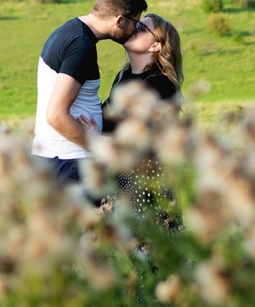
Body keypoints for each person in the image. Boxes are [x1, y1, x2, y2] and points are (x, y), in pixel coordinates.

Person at [31, 0, 148, 185]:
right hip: (68, 161)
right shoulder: (81, 45)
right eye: (135, 23)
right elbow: (55, 115)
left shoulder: (68, 31)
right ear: (119, 20)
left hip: (56, 158)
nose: (134, 30)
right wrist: (100, 146)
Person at [77, 13, 183, 227]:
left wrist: (99, 138)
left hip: (146, 184)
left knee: (148, 243)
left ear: (156, 46)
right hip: (119, 179)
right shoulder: (123, 76)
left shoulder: (161, 84)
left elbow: (144, 139)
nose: (134, 29)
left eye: (142, 28)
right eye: (136, 24)